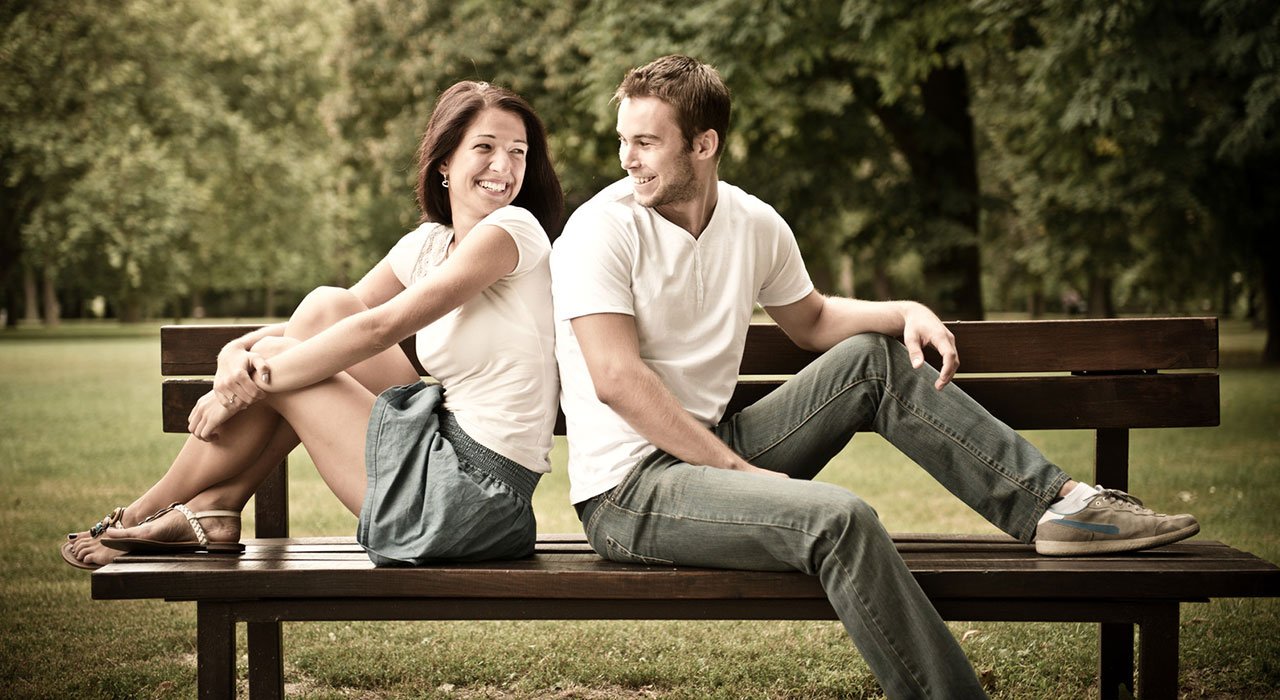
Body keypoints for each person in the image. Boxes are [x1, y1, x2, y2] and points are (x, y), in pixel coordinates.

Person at [549, 55, 1199, 699]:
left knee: (877, 359)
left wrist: (905, 312)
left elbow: (812, 319)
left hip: (719, 452)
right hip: (630, 493)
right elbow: (616, 378)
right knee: (841, 518)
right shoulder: (602, 229)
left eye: (644, 142)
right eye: (623, 142)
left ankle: (1058, 509)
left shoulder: (753, 223)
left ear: (704, 143)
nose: (626, 159)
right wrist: (740, 474)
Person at [63, 80, 564, 569]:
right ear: (444, 163)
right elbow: (324, 321)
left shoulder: (512, 230)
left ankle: (143, 512)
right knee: (327, 306)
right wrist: (235, 351)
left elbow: (377, 330)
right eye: (485, 147)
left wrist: (235, 390)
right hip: (441, 450)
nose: (504, 165)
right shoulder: (431, 243)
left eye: (518, 152)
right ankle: (216, 508)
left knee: (292, 357)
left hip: (474, 501)